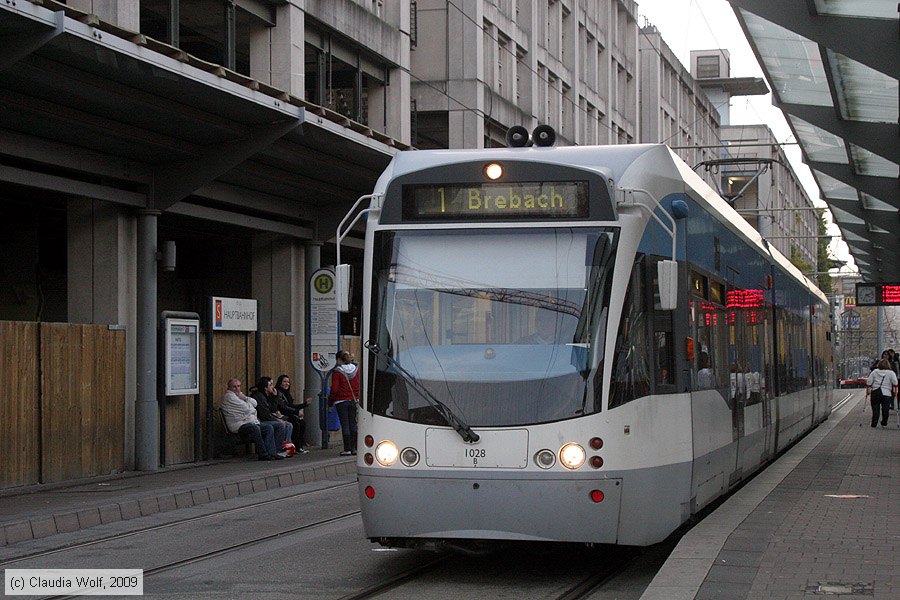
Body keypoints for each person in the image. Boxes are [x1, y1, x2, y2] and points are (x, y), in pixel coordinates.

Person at [220, 378, 282, 461]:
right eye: (234, 387)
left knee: (269, 427)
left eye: (238, 386)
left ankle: (272, 453)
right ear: (229, 388)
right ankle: (263, 454)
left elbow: (255, 403)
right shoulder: (229, 397)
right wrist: (250, 407)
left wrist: (245, 398)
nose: (237, 389)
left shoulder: (239, 395)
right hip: (238, 425)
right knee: (255, 428)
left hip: (248, 422)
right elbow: (248, 409)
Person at [328, 350, 359, 456]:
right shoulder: (356, 370)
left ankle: (347, 449)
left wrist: (330, 402)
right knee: (353, 424)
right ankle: (355, 448)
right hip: (353, 400)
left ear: (339, 360)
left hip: (341, 401)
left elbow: (334, 389)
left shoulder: (337, 372)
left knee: (345, 424)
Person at [250, 377, 292, 453]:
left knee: (288, 424)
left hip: (267, 417)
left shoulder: (267, 395)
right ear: (265, 388)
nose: (273, 387)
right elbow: (265, 414)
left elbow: (272, 409)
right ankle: (277, 449)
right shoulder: (259, 397)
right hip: (260, 419)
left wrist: (275, 397)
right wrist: (277, 419)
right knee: (280, 425)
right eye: (271, 385)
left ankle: (285, 446)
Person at [275, 374, 310, 454]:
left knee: (302, 423)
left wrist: (304, 405)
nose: (287, 384)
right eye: (284, 381)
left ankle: (299, 446)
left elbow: (290, 405)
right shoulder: (278, 393)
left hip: (288, 414)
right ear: (280, 382)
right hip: (282, 415)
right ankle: (295, 446)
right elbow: (283, 407)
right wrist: (297, 411)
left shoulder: (286, 393)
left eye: (288, 382)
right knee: (295, 423)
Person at [865, 358, 898, 428]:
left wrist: (868, 391)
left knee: (875, 408)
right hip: (886, 393)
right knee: (885, 409)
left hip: (875, 392)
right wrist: (895, 392)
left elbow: (869, 382)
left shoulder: (874, 372)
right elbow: (895, 382)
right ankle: (884, 422)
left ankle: (874, 423)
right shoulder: (891, 373)